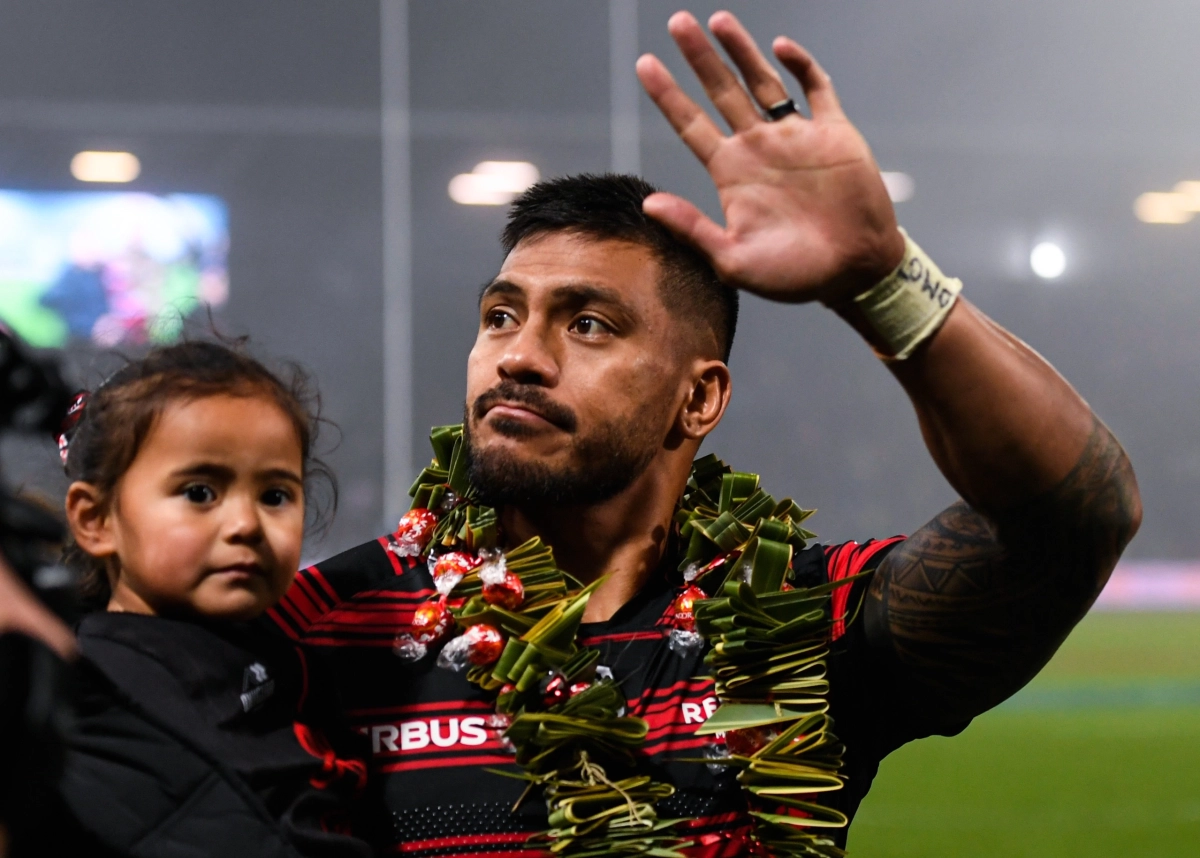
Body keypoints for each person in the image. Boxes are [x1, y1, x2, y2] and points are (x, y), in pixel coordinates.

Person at [272, 10, 1141, 857]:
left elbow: (1074, 518)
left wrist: (884, 282)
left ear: (699, 399)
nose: (520, 357)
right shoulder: (329, 629)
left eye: (589, 325)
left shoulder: (799, 626)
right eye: (501, 316)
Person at [51, 341, 372, 858]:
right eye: (200, 492)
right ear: (96, 519)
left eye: (275, 495)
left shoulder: (294, 665)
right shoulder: (87, 698)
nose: (246, 525)